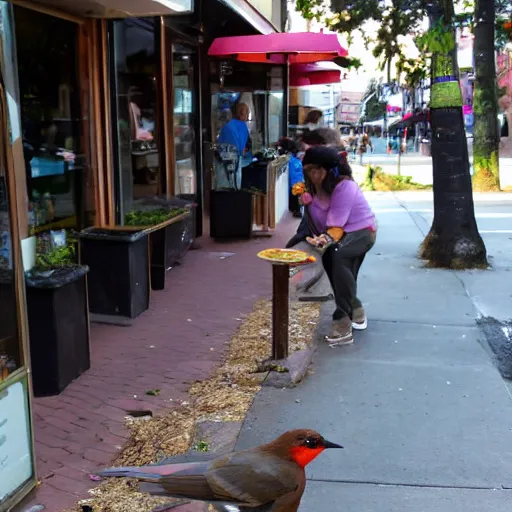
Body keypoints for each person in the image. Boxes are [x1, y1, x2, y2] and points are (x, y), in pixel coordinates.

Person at [301, 146, 377, 345]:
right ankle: (357, 310)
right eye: (308, 170)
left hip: (361, 231)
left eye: (317, 169)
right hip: (337, 234)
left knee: (338, 256)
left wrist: (324, 240)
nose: (313, 175)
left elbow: (336, 225)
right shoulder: (313, 188)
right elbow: (319, 220)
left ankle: (342, 321)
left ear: (330, 169)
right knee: (334, 264)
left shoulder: (345, 187)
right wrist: (308, 203)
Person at [216, 102, 250, 189]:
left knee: (223, 187)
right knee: (234, 188)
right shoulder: (242, 127)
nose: (247, 118)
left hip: (222, 162)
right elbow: (242, 149)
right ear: (243, 114)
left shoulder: (228, 125)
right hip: (234, 162)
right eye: (247, 114)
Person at [277, 137, 303, 218]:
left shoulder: (291, 161)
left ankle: (298, 209)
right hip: (296, 188)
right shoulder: (295, 160)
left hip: (294, 191)